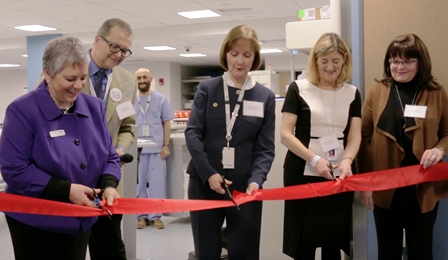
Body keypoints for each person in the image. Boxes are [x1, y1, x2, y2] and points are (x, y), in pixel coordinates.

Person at [0, 36, 121, 260]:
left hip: (81, 217)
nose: (78, 85)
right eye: (70, 78)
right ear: (47, 73)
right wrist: (66, 190)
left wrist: (108, 184)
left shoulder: (93, 108)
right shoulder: (22, 111)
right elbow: (15, 169)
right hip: (36, 222)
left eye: (83, 77)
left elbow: (110, 157)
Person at [185, 24, 276, 260]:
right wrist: (209, 173)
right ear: (225, 53)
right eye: (234, 53)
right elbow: (193, 133)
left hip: (245, 188)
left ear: (255, 58)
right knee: (207, 252)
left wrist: (257, 180)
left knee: (244, 252)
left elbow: (265, 148)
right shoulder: (207, 89)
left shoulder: (264, 96)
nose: (240, 61)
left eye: (247, 55)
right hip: (205, 183)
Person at [358, 33, 448, 259]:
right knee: (387, 252)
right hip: (386, 187)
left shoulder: (436, 92)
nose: (400, 67)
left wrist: (439, 150)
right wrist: (365, 184)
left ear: (421, 62)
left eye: (408, 61)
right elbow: (364, 138)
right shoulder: (377, 91)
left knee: (421, 251)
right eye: (394, 61)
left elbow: (447, 133)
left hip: (422, 188)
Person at [280, 32, 362, 260]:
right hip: (302, 171)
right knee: (304, 243)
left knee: (332, 241)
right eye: (324, 61)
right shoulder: (298, 88)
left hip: (337, 173)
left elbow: (355, 136)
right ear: (315, 60)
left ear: (344, 59)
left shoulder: (353, 94)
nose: (329, 67)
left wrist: (347, 160)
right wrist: (314, 160)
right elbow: (285, 135)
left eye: (335, 61)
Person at [83, 18, 137, 260]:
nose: (119, 55)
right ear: (97, 40)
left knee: (110, 249)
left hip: (109, 183)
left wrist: (120, 147)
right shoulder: (68, 71)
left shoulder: (128, 81)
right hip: (72, 179)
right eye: (115, 47)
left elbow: (128, 126)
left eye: (125, 50)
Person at [134, 68, 174, 229]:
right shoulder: (130, 100)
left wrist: (166, 145)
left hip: (157, 148)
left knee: (157, 183)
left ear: (151, 79)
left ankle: (156, 216)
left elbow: (167, 122)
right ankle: (141, 216)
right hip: (136, 150)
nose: (142, 80)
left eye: (145, 77)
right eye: (139, 77)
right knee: (139, 184)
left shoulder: (160, 99)